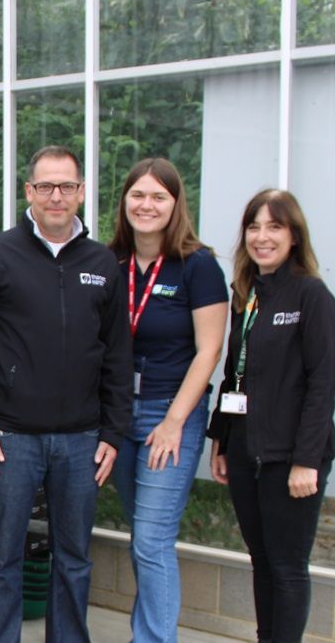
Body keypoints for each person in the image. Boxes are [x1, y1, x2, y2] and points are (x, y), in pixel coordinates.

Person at [0, 145, 132, 643]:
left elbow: (118, 354)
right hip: (10, 440)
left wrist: (114, 432)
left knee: (73, 561)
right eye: (47, 186)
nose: (57, 196)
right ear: (29, 192)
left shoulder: (102, 263)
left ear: (80, 193)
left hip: (82, 441)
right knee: (1, 561)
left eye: (68, 186)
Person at [208, 189, 335, 643]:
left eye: (274, 227)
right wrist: (222, 442)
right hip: (247, 453)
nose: (261, 237)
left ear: (294, 235)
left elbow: (323, 386)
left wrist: (307, 460)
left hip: (292, 458)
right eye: (254, 226)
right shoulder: (248, 296)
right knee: (261, 560)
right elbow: (234, 376)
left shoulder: (312, 296)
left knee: (287, 567)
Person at [106, 158, 228, 642]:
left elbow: (210, 349)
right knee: (143, 539)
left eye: (159, 196)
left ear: (176, 204)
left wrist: (175, 421)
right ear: (124, 201)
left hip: (168, 415)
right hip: (116, 417)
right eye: (138, 194)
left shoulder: (198, 266)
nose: (146, 205)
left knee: (152, 541)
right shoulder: (109, 263)